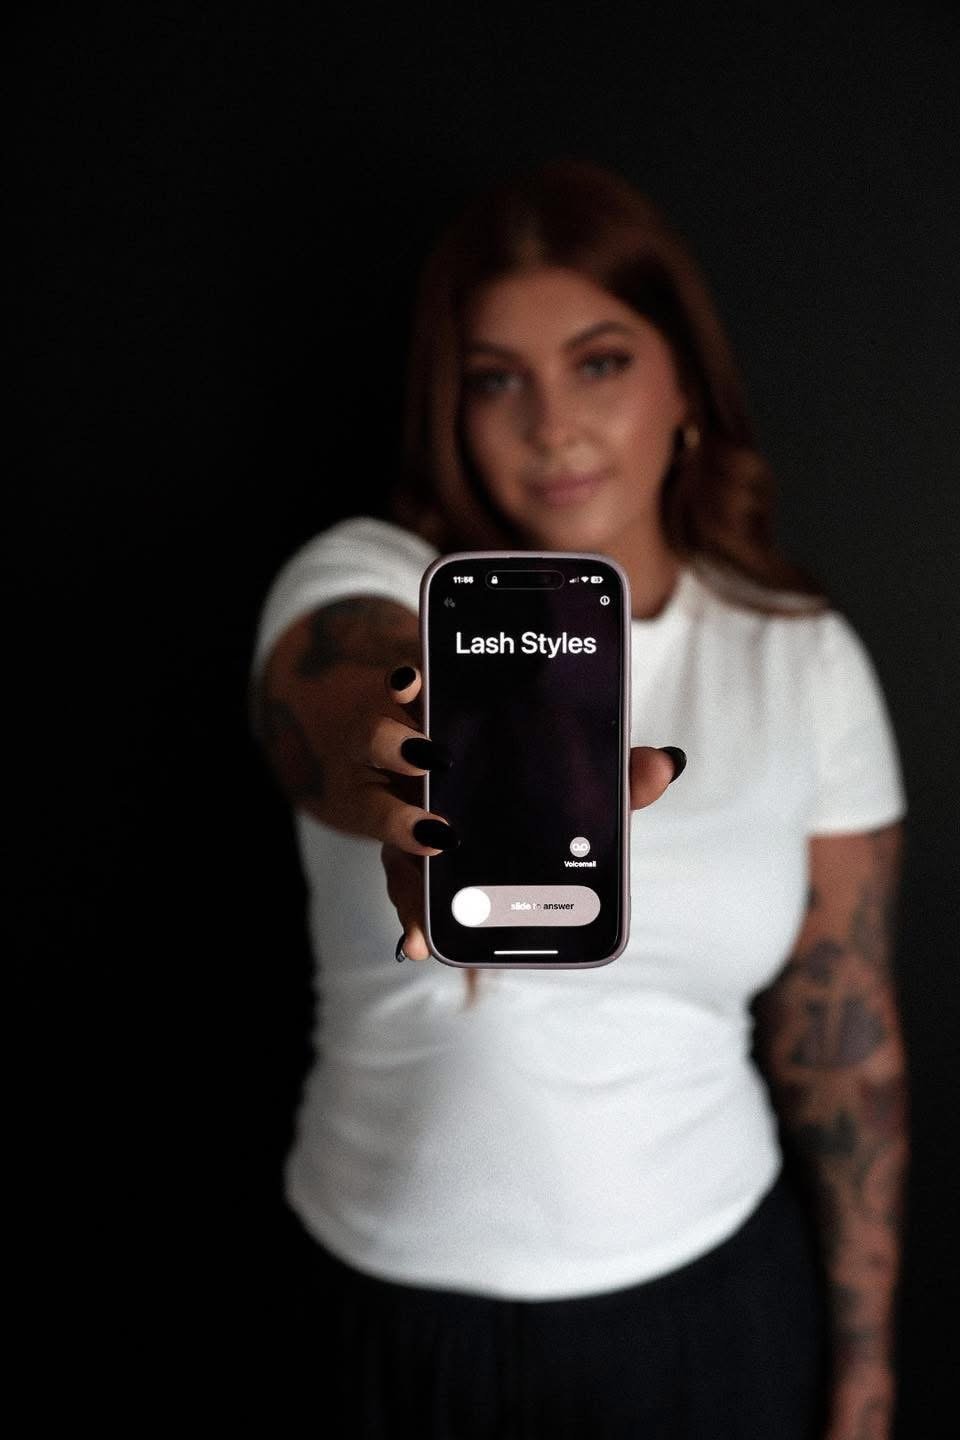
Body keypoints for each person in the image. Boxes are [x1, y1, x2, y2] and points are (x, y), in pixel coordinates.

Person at [248, 158, 909, 1439]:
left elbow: (849, 1035)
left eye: (598, 362)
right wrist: (402, 761)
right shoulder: (376, 578)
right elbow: (328, 706)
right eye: (496, 378)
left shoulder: (799, 656)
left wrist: (870, 1371)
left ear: (685, 388)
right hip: (387, 1313)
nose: (549, 423)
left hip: (706, 1309)